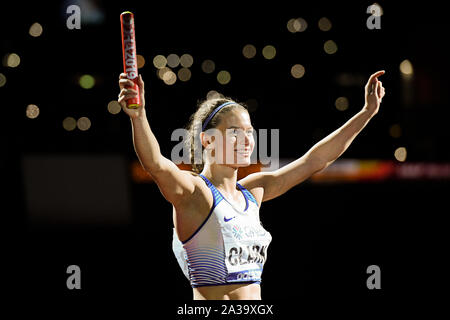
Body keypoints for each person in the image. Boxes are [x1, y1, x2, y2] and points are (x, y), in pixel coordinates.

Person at [117, 70, 386, 300]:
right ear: (208, 141)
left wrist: (366, 113)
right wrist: (138, 117)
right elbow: (155, 164)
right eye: (235, 133)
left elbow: (315, 160)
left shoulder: (253, 192)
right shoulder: (195, 193)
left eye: (249, 132)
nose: (247, 140)